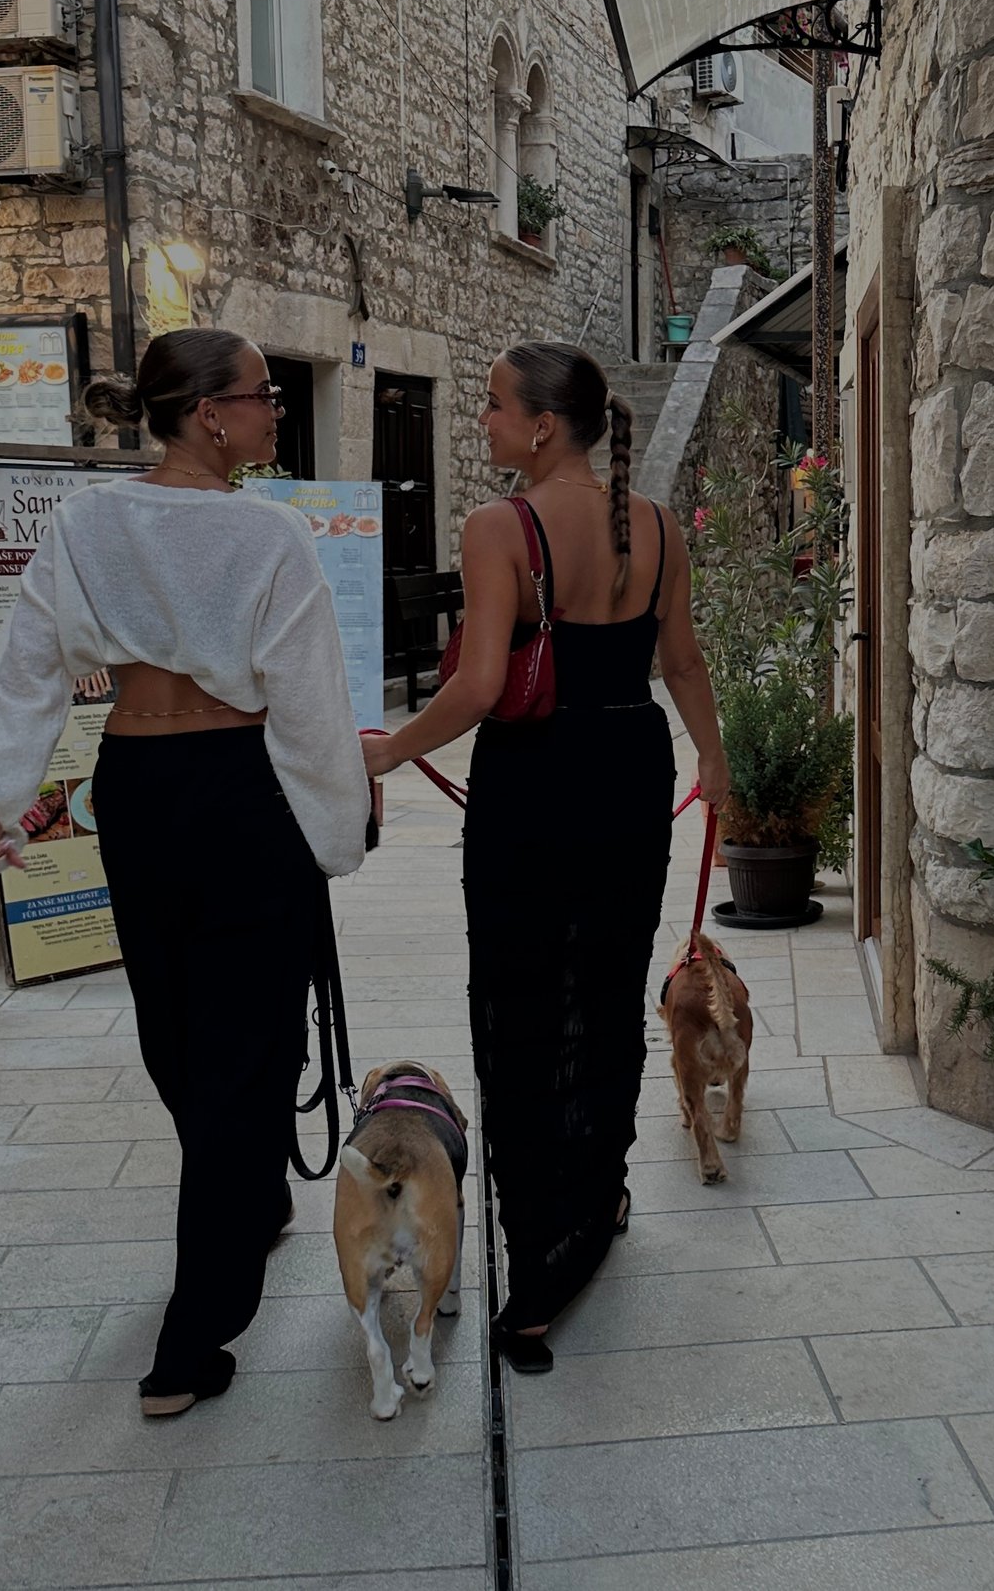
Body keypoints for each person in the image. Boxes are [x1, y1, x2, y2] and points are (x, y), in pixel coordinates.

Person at [0, 328, 369, 1418]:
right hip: (244, 791)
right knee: (237, 1045)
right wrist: (339, 828)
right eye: (264, 394)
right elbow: (309, 700)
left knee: (180, 1031)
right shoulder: (271, 535)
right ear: (209, 414)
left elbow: (25, 670)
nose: (277, 409)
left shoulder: (89, 524)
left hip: (136, 788)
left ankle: (232, 1233)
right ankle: (199, 1319)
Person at [361, 341, 728, 1372]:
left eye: (491, 406)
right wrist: (714, 756)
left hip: (532, 782)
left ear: (542, 426)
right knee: (607, 994)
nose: (480, 420)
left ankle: (540, 1266)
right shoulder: (656, 526)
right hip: (630, 770)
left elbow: (481, 685)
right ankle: (598, 1199)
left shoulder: (500, 527)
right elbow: (682, 662)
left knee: (524, 1009)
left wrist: (387, 750)